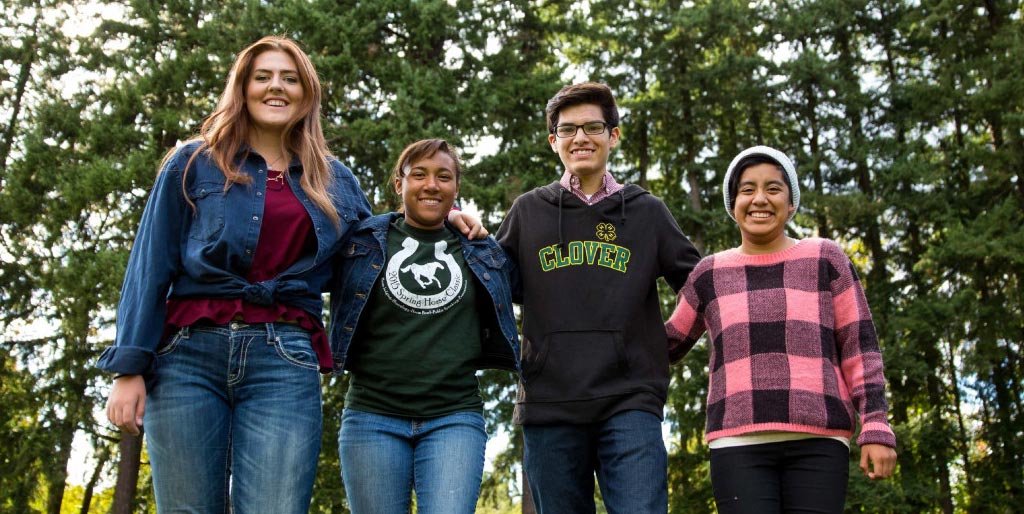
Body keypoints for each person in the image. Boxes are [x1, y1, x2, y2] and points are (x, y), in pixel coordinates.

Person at [98, 37, 483, 513]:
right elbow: (150, 264)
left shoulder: (334, 180)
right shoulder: (194, 162)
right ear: (242, 88)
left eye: (289, 78)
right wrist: (129, 367)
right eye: (262, 77)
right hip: (186, 356)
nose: (275, 87)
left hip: (283, 358)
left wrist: (445, 215)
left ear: (307, 93)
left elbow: (376, 248)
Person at [495, 82, 702, 514]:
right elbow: (491, 289)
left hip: (630, 401)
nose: (581, 138)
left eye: (593, 127)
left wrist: (666, 346)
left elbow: (703, 287)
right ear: (553, 141)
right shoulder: (527, 212)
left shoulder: (647, 211)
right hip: (550, 402)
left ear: (614, 135)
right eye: (568, 130)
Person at [664, 145, 898, 513]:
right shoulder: (709, 273)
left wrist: (876, 426)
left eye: (773, 188)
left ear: (791, 203)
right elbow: (667, 345)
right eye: (747, 189)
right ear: (733, 203)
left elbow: (860, 347)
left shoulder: (825, 258)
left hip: (819, 442)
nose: (760, 199)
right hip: (737, 444)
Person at [329, 139, 520, 514]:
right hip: (372, 416)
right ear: (399, 184)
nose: (431, 185)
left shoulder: (482, 250)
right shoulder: (362, 242)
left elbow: (532, 290)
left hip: (454, 417)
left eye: (443, 177)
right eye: (419, 175)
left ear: (456, 189)